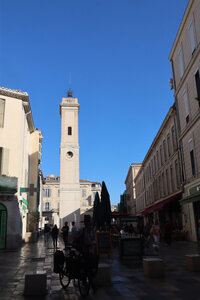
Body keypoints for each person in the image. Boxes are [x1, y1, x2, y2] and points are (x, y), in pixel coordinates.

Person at [73, 215, 98, 292]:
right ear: (87, 222)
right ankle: (84, 280)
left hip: (91, 252)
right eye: (90, 221)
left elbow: (95, 240)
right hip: (84, 252)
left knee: (93, 266)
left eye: (91, 221)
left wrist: (92, 243)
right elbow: (75, 236)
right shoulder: (82, 230)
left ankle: (91, 280)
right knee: (83, 267)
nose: (91, 222)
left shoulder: (93, 231)